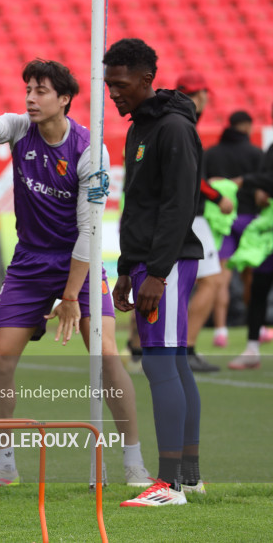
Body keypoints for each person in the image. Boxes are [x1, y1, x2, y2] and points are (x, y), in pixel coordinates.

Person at [0, 61, 150, 490]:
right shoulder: (20, 129)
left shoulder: (88, 150)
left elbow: (89, 230)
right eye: (27, 89)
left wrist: (70, 296)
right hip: (28, 264)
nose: (30, 98)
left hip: (79, 260)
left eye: (40, 91)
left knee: (106, 356)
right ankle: (3, 463)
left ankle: (134, 462)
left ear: (64, 99)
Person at [103, 38, 204, 506]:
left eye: (121, 85)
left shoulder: (173, 128)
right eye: (108, 86)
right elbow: (137, 206)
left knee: (162, 366)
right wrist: (127, 268)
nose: (114, 94)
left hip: (168, 262)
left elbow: (179, 205)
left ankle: (170, 484)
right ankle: (189, 475)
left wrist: (158, 273)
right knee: (176, 365)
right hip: (146, 262)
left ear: (146, 79)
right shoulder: (138, 129)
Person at [175, 72, 234, 372]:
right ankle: (185, 350)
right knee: (210, 282)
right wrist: (217, 196)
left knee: (172, 284)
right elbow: (192, 176)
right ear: (199, 97)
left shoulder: (169, 122)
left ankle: (149, 349)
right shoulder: (184, 125)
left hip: (174, 216)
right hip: (190, 218)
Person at [204, 111, 265, 348]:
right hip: (251, 220)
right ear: (248, 126)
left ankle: (221, 330)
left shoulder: (212, 153)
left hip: (223, 220)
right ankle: (256, 328)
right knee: (252, 277)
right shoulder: (257, 153)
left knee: (220, 278)